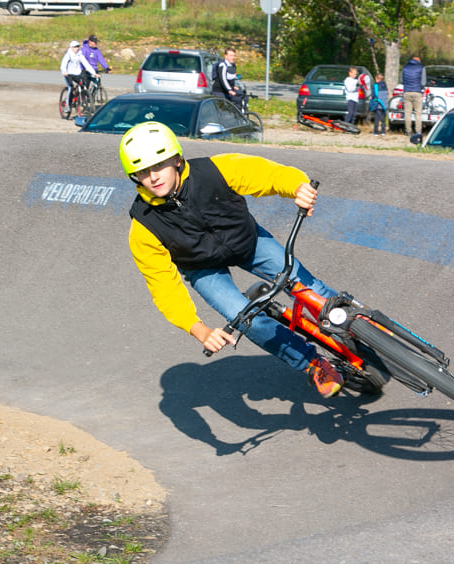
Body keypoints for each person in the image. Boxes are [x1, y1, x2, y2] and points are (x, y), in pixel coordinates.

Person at [120, 122, 344, 399]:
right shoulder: (143, 225)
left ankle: (354, 325)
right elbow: (164, 287)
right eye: (142, 171)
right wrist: (198, 329)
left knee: (311, 290)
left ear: (177, 159)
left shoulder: (215, 170)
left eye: (159, 165)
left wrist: (296, 187)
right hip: (202, 268)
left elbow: (265, 174)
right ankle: (312, 364)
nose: (153, 177)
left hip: (248, 242)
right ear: (135, 177)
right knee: (248, 321)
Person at [60, 40, 98, 118]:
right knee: (71, 87)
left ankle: (81, 99)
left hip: (77, 74)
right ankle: (67, 105)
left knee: (83, 86)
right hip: (68, 74)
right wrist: (64, 71)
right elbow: (63, 64)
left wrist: (94, 73)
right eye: (74, 47)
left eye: (77, 47)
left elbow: (86, 64)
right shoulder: (68, 55)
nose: (76, 48)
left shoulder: (79, 55)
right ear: (71, 47)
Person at [401, 56, 426, 136]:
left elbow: (401, 80)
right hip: (417, 92)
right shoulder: (421, 68)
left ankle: (408, 131)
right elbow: (423, 82)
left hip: (407, 92)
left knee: (407, 113)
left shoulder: (405, 67)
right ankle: (418, 131)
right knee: (418, 113)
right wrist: (420, 87)